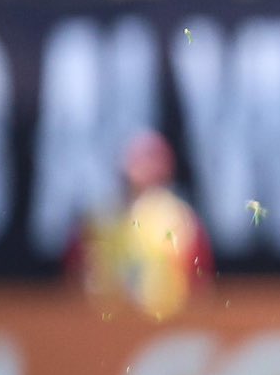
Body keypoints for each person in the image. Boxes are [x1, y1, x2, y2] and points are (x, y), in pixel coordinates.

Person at [68, 130, 215, 321]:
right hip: (105, 320)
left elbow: (200, 283)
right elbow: (75, 274)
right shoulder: (101, 217)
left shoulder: (179, 219)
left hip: (165, 320)